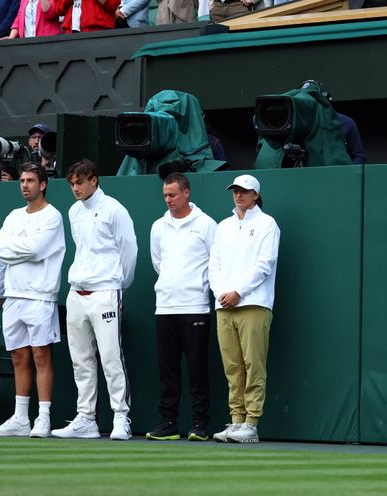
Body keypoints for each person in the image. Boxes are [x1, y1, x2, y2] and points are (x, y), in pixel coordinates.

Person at [49, 160, 136, 441]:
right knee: (81, 360)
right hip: (77, 293)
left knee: (111, 357)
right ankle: (86, 418)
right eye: (72, 183)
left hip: (106, 293)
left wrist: (117, 284)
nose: (75, 188)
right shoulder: (74, 211)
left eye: (80, 182)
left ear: (94, 180)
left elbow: (129, 251)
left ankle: (121, 417)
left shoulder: (115, 209)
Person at [0, 163, 65, 438]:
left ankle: (43, 417)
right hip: (13, 296)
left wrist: (17, 250)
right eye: (22, 180)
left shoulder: (52, 216)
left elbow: (37, 249)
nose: (24, 185)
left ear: (42, 184)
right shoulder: (12, 216)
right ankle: (21, 418)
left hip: (40, 297)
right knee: (19, 357)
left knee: (41, 356)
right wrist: (23, 251)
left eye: (30, 180)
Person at [145, 172, 218, 442]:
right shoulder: (158, 227)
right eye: (165, 195)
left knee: (198, 369)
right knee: (167, 370)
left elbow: (215, 262)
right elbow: (158, 263)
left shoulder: (207, 224)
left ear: (186, 193)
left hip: (195, 307)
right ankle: (168, 423)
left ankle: (200, 424)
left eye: (173, 195)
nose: (168, 200)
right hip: (164, 307)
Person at [208, 174, 280, 444]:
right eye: (235, 191)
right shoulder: (223, 226)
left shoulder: (267, 224)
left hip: (254, 304)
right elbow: (213, 265)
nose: (239, 195)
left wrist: (238, 292)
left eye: (244, 191)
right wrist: (221, 294)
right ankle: (236, 420)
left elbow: (264, 264)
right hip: (224, 305)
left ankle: (251, 422)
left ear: (255, 195)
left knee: (253, 364)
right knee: (232, 367)